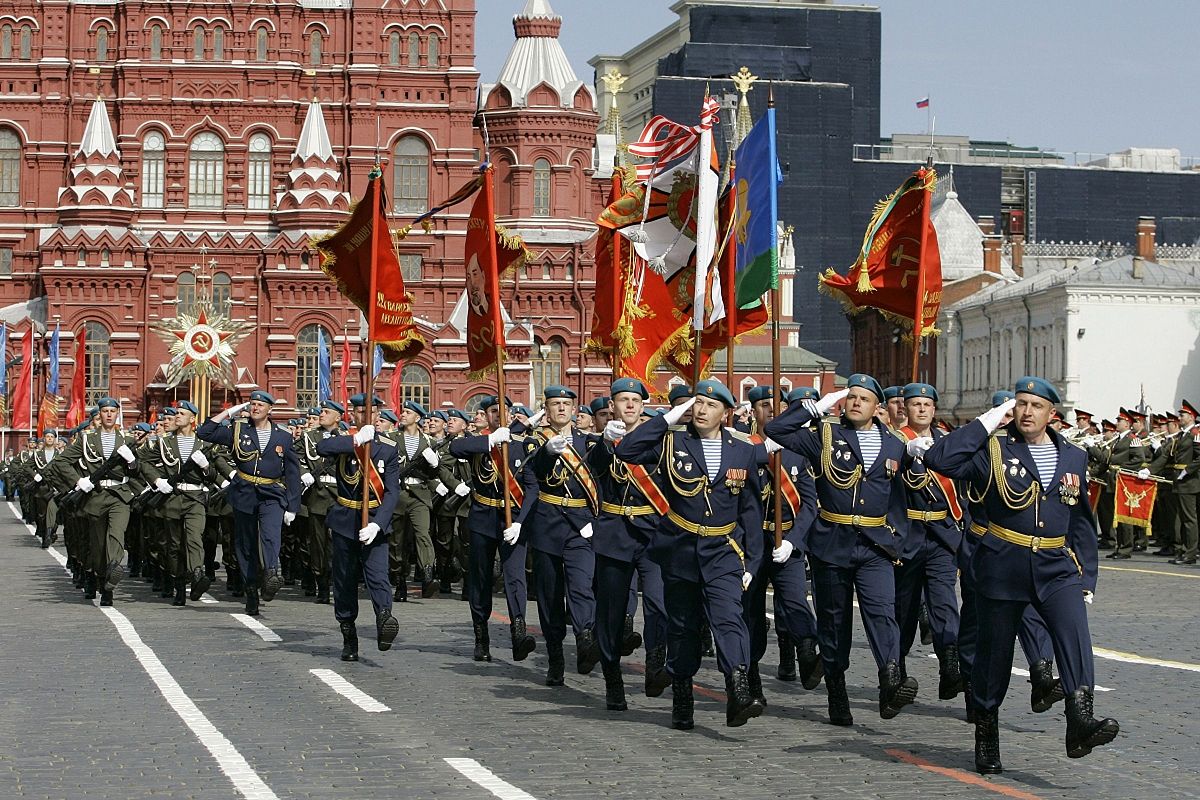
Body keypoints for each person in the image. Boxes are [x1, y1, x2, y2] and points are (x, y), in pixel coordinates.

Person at [924, 376, 1118, 774]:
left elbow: (1081, 521)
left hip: (1056, 567)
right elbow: (938, 459)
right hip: (1003, 564)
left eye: (1036, 406)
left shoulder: (1073, 456)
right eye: (1021, 404)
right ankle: (987, 732)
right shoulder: (993, 449)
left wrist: (1088, 579)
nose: (1027, 412)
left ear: (1052, 414)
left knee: (1074, 635)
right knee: (994, 657)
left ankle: (1080, 721)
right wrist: (988, 420)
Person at [764, 375, 917, 727]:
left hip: (875, 545)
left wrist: (897, 536)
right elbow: (776, 430)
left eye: (864, 398)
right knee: (834, 622)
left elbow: (902, 497)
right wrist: (814, 408)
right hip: (832, 543)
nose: (856, 402)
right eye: (851, 397)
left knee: (882, 611)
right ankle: (837, 690)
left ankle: (890, 680)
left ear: (878, 407)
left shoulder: (895, 445)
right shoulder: (825, 436)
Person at [616, 379, 764, 729]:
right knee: (682, 626)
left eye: (710, 405)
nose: (701, 410)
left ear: (726, 413)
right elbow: (627, 451)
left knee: (729, 617)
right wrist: (667, 418)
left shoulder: (742, 449)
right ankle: (682, 692)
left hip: (723, 550)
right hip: (679, 547)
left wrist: (753, 561)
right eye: (697, 403)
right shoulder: (672, 440)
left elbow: (751, 511)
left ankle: (738, 686)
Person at [587, 378, 671, 709]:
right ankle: (613, 679)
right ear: (612, 406)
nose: (630, 405)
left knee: (658, 603)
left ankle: (655, 665)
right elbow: (591, 473)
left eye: (636, 399)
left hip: (653, 533)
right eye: (623, 399)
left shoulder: (659, 442)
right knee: (611, 610)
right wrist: (605, 446)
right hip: (615, 533)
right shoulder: (602, 443)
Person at [520, 385, 602, 686]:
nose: (561, 409)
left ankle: (585, 640)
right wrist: (546, 453)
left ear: (574, 409)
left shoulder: (588, 443)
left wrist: (597, 518)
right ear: (547, 409)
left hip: (581, 525)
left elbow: (600, 479)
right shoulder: (535, 443)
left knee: (581, 586)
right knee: (550, 595)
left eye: (566, 404)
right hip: (547, 525)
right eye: (555, 404)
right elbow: (532, 475)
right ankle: (555, 658)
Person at [745, 386, 823, 704]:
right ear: (754, 412)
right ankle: (749, 680)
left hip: (785, 544)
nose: (773, 412)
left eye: (779, 406)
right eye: (765, 406)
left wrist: (793, 541)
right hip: (751, 546)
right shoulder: (743, 448)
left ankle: (807, 653)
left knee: (795, 603)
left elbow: (809, 504)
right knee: (750, 614)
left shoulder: (797, 452)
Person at [449, 395, 539, 662]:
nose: (500, 415)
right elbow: (456, 449)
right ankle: (481, 636)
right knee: (480, 577)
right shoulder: (479, 444)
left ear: (512, 415)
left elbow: (532, 487)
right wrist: (490, 440)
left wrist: (521, 521)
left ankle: (519, 632)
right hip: (482, 516)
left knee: (514, 577)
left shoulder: (523, 444)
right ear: (486, 416)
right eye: (493, 411)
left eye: (505, 411)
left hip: (512, 519)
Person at [197, 390, 301, 616]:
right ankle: (251, 590)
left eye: (260, 405)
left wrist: (293, 505)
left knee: (271, 535)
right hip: (244, 492)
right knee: (245, 545)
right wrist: (229, 411)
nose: (255, 408)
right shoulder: (238, 430)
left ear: (270, 410)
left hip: (271, 493)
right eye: (252, 404)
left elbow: (292, 472)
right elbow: (205, 432)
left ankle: (272, 573)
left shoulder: (283, 436)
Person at [893, 383, 964, 700]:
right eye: (915, 404)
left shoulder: (947, 444)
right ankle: (897, 672)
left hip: (941, 537)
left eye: (927, 404)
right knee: (904, 610)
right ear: (904, 409)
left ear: (935, 409)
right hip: (907, 537)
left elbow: (962, 491)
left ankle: (950, 668)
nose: (921, 409)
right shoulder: (894, 443)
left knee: (944, 603)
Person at [316, 418, 402, 660]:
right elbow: (322, 449)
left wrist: (378, 523)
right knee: (344, 580)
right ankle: (349, 635)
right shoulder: (344, 443)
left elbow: (392, 491)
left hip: (374, 520)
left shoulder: (388, 449)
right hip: (345, 520)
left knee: (378, 575)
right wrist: (355, 440)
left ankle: (384, 617)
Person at [59, 397, 143, 606]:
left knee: (116, 535)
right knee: (97, 545)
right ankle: (100, 577)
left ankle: (113, 571)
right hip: (95, 496)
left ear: (117, 414)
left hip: (119, 495)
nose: (108, 415)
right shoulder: (87, 440)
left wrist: (132, 462)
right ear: (100, 414)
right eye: (104, 411)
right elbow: (62, 462)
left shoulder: (127, 439)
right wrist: (79, 480)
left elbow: (138, 471)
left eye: (112, 411)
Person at [142, 401, 218, 606]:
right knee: (174, 545)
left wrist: (205, 467)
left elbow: (212, 475)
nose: (177, 416)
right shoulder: (164, 442)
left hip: (195, 499)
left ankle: (196, 576)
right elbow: (144, 462)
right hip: (172, 497)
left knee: (194, 538)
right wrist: (157, 480)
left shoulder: (204, 443)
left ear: (192, 419)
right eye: (176, 413)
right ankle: (178, 585)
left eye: (182, 413)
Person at [296, 400, 344, 603]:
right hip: (318, 494)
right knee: (318, 543)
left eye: (326, 412)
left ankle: (338, 580)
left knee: (338, 543)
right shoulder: (309, 437)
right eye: (321, 411)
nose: (322, 415)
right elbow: (296, 458)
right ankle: (321, 583)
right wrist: (304, 473)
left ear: (338, 417)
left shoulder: (346, 438)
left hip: (341, 495)